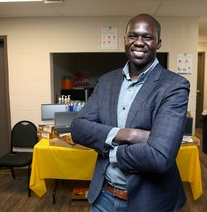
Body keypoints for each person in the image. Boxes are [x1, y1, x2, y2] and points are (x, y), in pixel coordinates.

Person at [71, 13, 190, 212]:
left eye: (147, 37)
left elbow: (160, 157)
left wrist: (109, 150)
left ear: (158, 43)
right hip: (103, 197)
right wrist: (130, 134)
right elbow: (78, 128)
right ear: (125, 40)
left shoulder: (174, 86)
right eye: (133, 36)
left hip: (148, 202)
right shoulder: (106, 81)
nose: (139, 42)